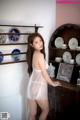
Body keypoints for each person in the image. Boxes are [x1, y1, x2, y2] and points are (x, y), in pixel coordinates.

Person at [26, 32, 61, 120]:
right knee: (46, 110)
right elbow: (44, 74)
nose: (40, 43)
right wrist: (52, 83)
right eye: (36, 42)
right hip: (39, 87)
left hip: (31, 86)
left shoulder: (34, 54)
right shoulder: (40, 55)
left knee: (32, 113)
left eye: (40, 40)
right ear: (31, 45)